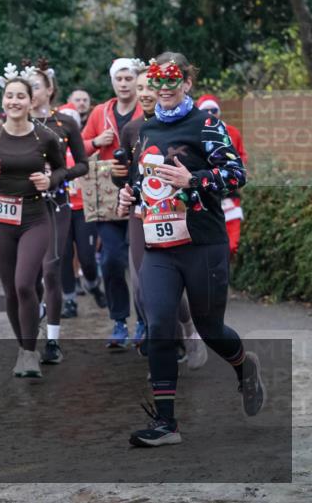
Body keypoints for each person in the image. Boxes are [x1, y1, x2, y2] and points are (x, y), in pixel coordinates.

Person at [117, 52, 263, 447]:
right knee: (159, 322)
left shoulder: (206, 124)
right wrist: (128, 195)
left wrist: (193, 178)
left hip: (203, 243)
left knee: (210, 328)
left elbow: (236, 175)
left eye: (172, 81)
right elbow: (140, 180)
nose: (163, 89)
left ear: (186, 83)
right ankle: (167, 424)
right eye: (157, 81)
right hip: (160, 245)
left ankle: (243, 366)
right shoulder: (145, 128)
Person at [0, 64, 66, 378]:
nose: (14, 101)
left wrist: (49, 179)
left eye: (20, 96)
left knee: (25, 283)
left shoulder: (46, 136)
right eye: (9, 96)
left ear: (31, 101)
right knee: (10, 291)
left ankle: (29, 354)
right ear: (3, 101)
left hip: (34, 217)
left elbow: (63, 169)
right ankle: (23, 347)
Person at [112, 69, 207, 366]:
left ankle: (187, 333)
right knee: (142, 289)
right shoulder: (132, 129)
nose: (145, 92)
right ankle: (167, 347)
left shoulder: (187, 125)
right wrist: (120, 184)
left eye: (150, 86)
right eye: (141, 87)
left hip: (175, 214)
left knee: (170, 284)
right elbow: (129, 177)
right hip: (141, 216)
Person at [27, 60, 88, 364]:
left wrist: (57, 175)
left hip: (56, 205)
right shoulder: (11, 123)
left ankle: (52, 341)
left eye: (36, 85)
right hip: (21, 207)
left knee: (51, 270)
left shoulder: (66, 123)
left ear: (50, 89)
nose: (30, 91)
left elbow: (83, 164)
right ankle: (29, 331)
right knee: (27, 276)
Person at [81, 58, 144, 349]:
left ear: (136, 81)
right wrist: (96, 141)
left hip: (140, 194)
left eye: (128, 78)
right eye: (118, 79)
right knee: (111, 260)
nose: (124, 84)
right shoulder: (99, 112)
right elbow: (78, 147)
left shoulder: (147, 108)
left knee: (142, 266)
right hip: (106, 198)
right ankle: (119, 322)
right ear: (112, 82)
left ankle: (144, 321)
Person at [56, 102, 105, 317]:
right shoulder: (51, 147)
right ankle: (69, 301)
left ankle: (93, 283)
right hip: (61, 208)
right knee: (64, 256)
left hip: (84, 209)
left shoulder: (85, 147)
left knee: (87, 257)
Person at [196, 94, 248, 256]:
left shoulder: (232, 132)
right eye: (206, 111)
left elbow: (241, 156)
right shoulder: (193, 133)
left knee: (232, 243)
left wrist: (239, 170)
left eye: (214, 110)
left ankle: (223, 269)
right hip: (203, 194)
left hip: (228, 193)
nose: (210, 114)